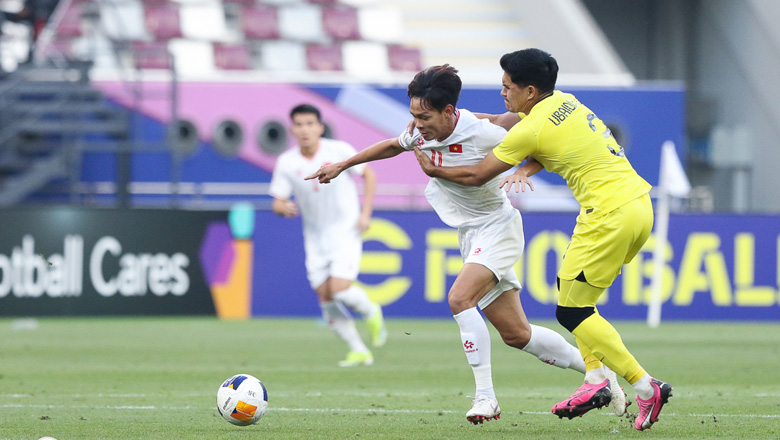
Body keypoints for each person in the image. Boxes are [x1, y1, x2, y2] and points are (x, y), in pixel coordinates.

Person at [305, 65, 626, 424]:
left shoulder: (482, 132)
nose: (416, 124)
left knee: (459, 298)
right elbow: (393, 146)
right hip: (471, 235)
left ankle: (485, 398)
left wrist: (524, 169)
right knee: (517, 335)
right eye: (413, 115)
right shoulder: (421, 133)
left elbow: (542, 140)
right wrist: (343, 165)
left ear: (448, 111)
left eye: (423, 116)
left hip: (498, 227)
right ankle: (602, 376)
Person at [411, 49, 672, 431]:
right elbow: (542, 143)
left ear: (529, 91)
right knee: (575, 298)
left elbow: (476, 176)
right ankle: (596, 380)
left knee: (572, 312)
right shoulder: (566, 101)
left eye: (507, 87)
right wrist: (524, 162)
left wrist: (433, 168)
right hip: (637, 206)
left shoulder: (530, 129)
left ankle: (646, 387)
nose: (503, 94)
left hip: (607, 214)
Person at [269, 103, 386, 367]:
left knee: (340, 290)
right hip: (315, 238)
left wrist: (366, 213)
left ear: (320, 127)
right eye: (299, 125)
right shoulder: (287, 162)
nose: (304, 130)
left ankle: (371, 310)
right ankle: (359, 350)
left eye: (310, 124)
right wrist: (282, 207)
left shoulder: (339, 150)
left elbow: (369, 175)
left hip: (346, 231)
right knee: (325, 298)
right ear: (292, 129)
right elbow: (277, 200)